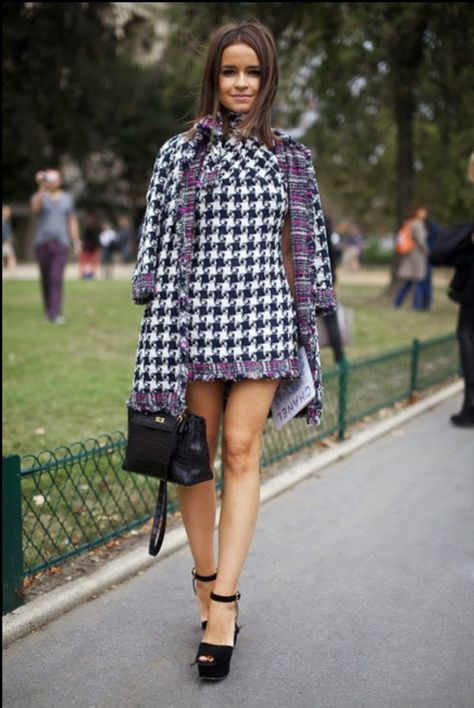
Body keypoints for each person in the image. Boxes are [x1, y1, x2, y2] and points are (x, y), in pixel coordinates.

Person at [127, 19, 336, 681]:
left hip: (264, 321)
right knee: (195, 457)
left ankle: (224, 604)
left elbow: (309, 246)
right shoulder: (179, 152)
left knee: (242, 453)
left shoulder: (292, 158)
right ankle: (204, 574)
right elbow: (155, 244)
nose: (241, 83)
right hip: (194, 324)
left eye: (253, 71)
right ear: (213, 76)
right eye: (230, 71)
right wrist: (158, 321)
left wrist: (311, 314)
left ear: (268, 77)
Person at [31, 169, 81, 324]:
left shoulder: (67, 199)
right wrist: (41, 186)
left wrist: (76, 241)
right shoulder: (39, 196)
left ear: (60, 181)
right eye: (48, 178)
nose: (51, 181)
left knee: (56, 278)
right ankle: (49, 310)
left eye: (54, 178)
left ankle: (55, 313)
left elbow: (72, 220)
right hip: (42, 243)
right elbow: (35, 209)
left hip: (61, 244)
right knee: (46, 279)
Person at [393, 205, 429, 309]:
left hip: (410, 254)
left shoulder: (410, 223)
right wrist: (426, 251)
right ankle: (416, 306)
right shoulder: (418, 224)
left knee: (408, 282)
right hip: (417, 255)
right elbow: (421, 240)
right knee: (417, 281)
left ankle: (397, 303)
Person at [413, 213, 440, 311]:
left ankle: (417, 306)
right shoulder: (435, 229)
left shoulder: (423, 228)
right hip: (429, 257)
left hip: (424, 257)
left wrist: (426, 250)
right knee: (426, 283)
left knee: (420, 283)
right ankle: (426, 306)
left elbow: (422, 243)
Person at [79, 213, 101, 279]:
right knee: (83, 261)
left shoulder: (96, 230)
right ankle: (82, 273)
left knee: (93, 262)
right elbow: (83, 238)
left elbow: (97, 239)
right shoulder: (86, 230)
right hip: (86, 247)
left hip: (92, 248)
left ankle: (92, 274)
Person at [2, 204, 17, 275]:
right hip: (4, 242)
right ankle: (12, 273)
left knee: (10, 256)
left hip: (6, 242)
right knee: (11, 256)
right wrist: (7, 238)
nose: (9, 213)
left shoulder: (6, 221)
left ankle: (12, 272)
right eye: (7, 211)